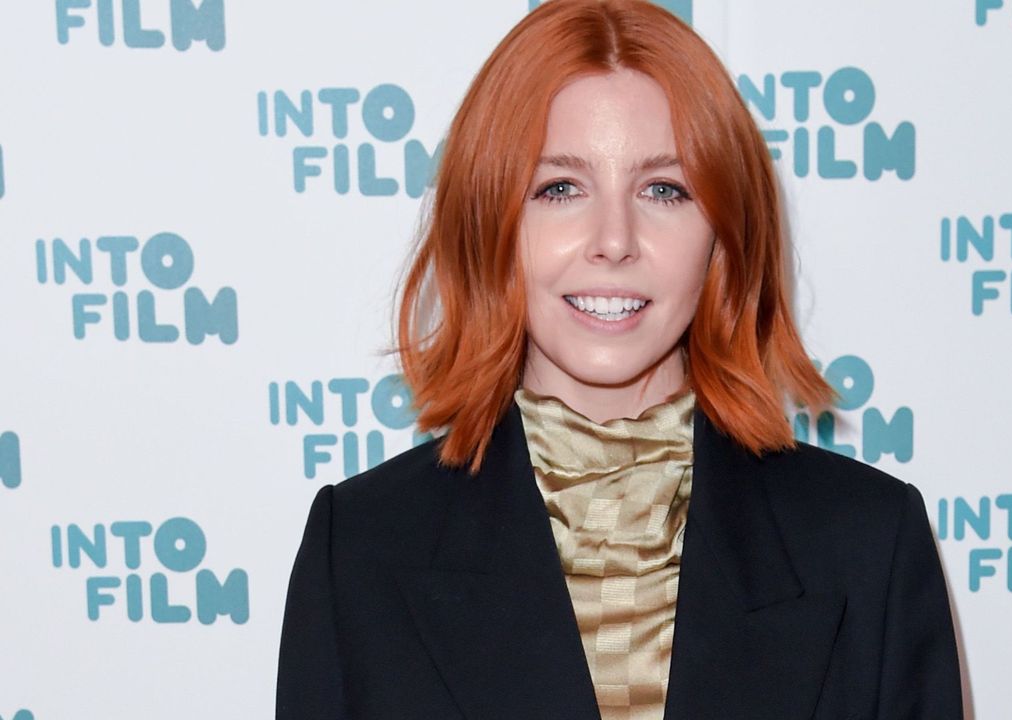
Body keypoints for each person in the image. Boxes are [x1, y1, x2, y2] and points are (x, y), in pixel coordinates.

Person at [275, 1, 964, 718]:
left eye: (664, 189)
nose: (614, 239)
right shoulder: (358, 547)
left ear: (723, 235)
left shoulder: (870, 540)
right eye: (560, 188)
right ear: (489, 223)